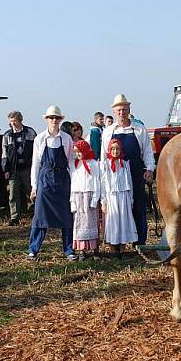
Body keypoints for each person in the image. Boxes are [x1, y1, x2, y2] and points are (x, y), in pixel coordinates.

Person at [101, 94, 155, 246]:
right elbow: (104, 157)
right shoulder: (108, 132)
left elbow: (147, 152)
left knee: (138, 208)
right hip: (115, 177)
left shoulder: (139, 129)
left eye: (124, 109)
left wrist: (149, 169)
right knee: (118, 211)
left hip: (135, 174)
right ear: (114, 111)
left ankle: (140, 242)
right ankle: (118, 242)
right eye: (119, 110)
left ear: (129, 110)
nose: (121, 113)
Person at [28, 106, 76, 261]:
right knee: (40, 216)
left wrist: (74, 184)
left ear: (60, 120)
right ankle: (33, 249)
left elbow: (71, 162)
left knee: (67, 217)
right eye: (51, 118)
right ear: (46, 119)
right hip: (45, 179)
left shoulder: (67, 139)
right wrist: (34, 186)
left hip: (63, 179)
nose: (54, 120)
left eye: (56, 118)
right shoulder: (39, 139)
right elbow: (35, 164)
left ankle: (69, 250)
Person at [100, 138, 138, 256]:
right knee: (113, 221)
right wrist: (104, 201)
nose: (115, 151)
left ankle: (122, 249)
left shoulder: (125, 164)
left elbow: (130, 183)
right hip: (111, 196)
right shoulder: (105, 164)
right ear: (109, 150)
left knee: (123, 221)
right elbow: (103, 183)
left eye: (117, 149)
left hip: (123, 196)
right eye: (113, 149)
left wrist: (130, 199)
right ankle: (112, 250)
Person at [2, 111, 37, 225]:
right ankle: (14, 217)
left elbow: (37, 150)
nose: (12, 124)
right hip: (13, 169)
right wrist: (5, 169)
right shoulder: (7, 135)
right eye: (11, 121)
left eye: (14, 121)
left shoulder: (30, 132)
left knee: (31, 191)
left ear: (20, 120)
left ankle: (35, 213)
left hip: (27, 167)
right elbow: (4, 154)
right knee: (13, 193)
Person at [70, 139, 101, 259]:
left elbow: (96, 182)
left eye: (80, 151)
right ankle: (82, 250)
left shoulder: (93, 164)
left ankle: (94, 249)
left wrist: (94, 199)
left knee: (92, 222)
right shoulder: (74, 164)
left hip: (89, 195)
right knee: (79, 223)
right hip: (78, 197)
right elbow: (73, 183)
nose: (78, 154)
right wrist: (72, 201)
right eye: (76, 152)